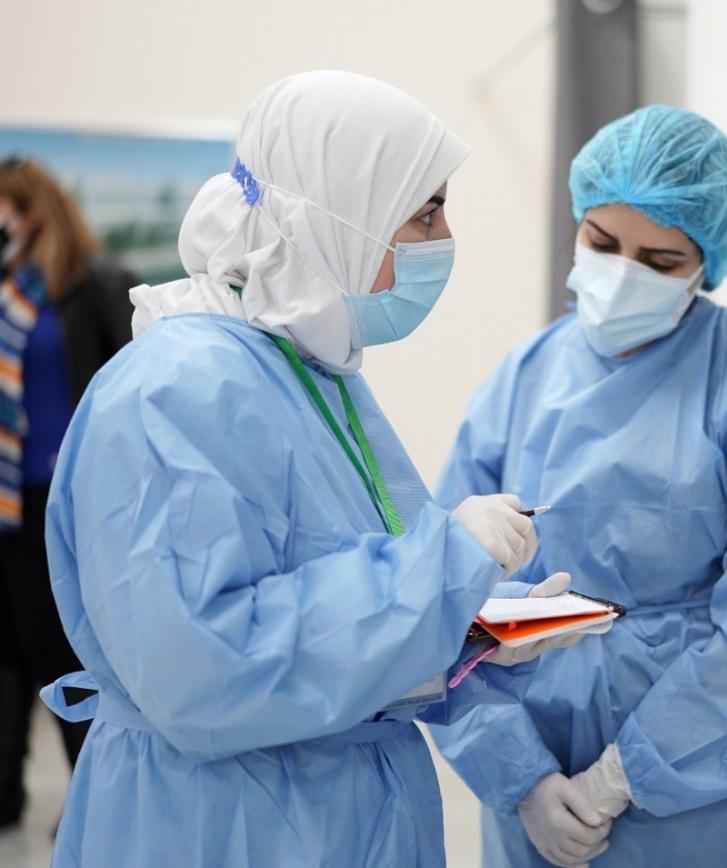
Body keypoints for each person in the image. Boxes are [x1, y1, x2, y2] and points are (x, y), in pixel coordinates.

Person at [37, 71, 583, 868]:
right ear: (336, 215)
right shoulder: (177, 391)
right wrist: (441, 572)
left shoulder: (305, 371)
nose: (442, 239)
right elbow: (200, 667)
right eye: (423, 212)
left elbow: (320, 597)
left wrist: (462, 627)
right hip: (223, 825)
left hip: (321, 806)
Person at [431, 105, 727, 867]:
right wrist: (520, 777)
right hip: (537, 792)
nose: (623, 273)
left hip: (719, 805)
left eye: (659, 262)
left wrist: (626, 776)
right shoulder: (522, 379)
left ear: (707, 263)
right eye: (601, 243)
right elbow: (444, 603)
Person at [0, 157, 136, 828]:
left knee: (66, 651)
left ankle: (96, 798)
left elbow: (137, 384)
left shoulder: (98, 284)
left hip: (71, 497)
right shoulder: (7, 290)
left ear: (37, 210)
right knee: (11, 648)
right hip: (8, 500)